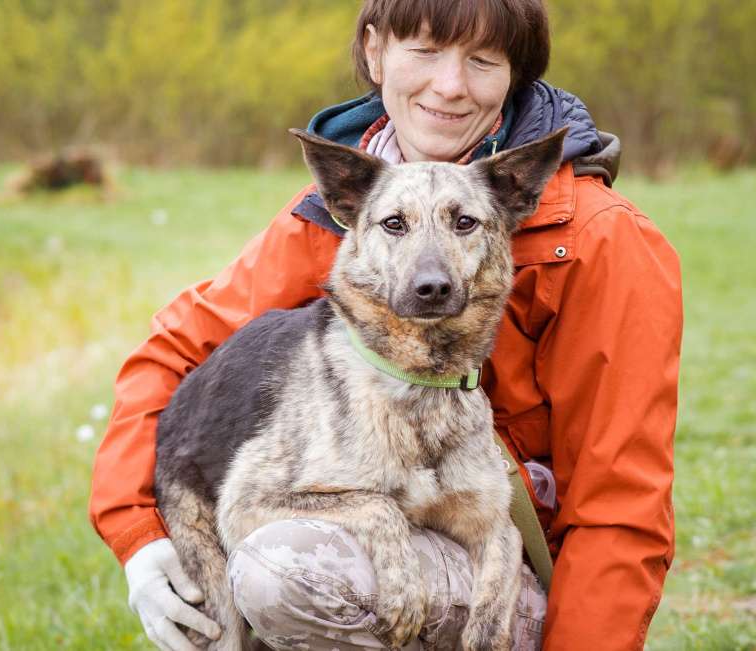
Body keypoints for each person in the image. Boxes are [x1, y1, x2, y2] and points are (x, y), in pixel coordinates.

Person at [89, 1, 683, 649]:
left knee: (289, 569)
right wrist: (137, 533)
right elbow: (174, 353)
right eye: (425, 51)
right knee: (279, 563)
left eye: (482, 61)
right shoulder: (337, 210)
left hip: (505, 573)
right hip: (363, 516)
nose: (451, 85)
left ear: (515, 77)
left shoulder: (598, 238)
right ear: (375, 52)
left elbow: (619, 505)